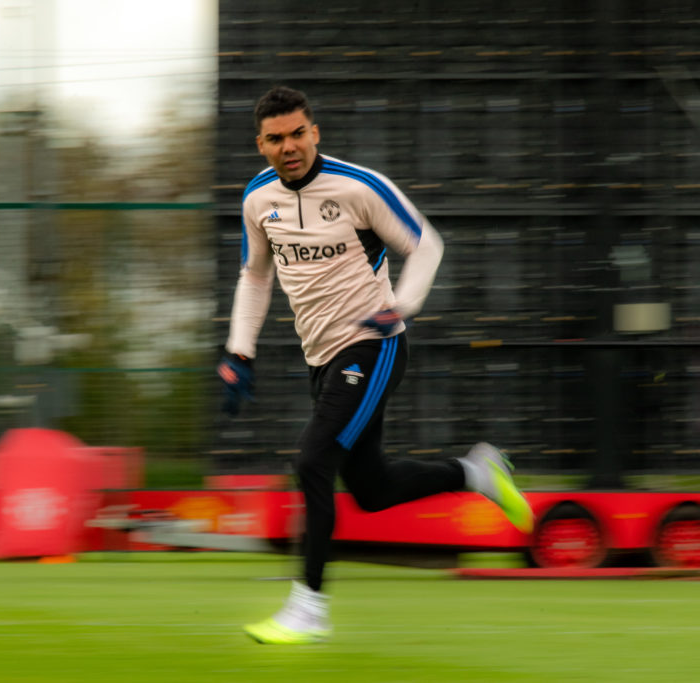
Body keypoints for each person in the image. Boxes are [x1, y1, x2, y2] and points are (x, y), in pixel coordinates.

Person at [217, 86, 534, 645]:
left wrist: (401, 306)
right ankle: (476, 472)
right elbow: (256, 276)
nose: (289, 146)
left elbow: (425, 245)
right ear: (260, 144)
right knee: (371, 489)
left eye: (297, 133)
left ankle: (308, 608)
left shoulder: (360, 187)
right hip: (322, 358)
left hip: (373, 344)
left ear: (315, 132)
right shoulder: (256, 201)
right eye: (276, 138)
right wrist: (240, 349)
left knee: (312, 460)